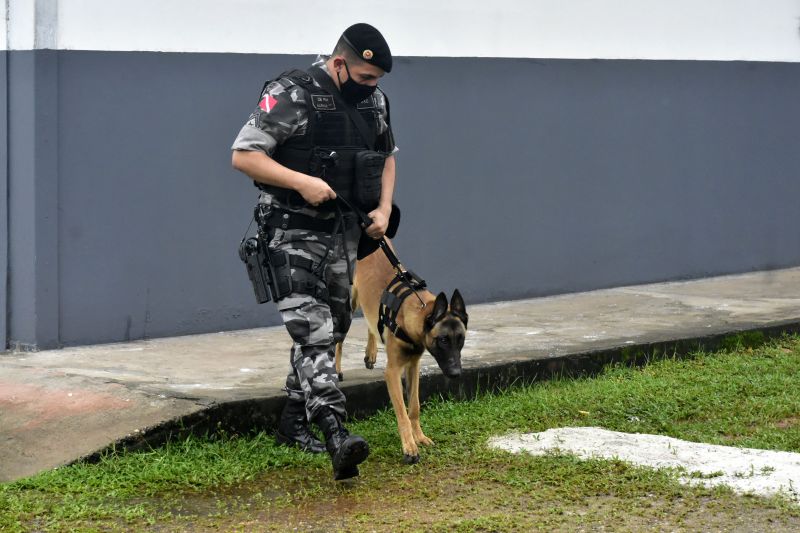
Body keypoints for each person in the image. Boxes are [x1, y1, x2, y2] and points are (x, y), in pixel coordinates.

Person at [231, 23, 397, 481]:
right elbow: (244, 155)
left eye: (377, 80)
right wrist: (302, 181)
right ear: (339, 63)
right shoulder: (293, 93)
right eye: (364, 77)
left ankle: (292, 421)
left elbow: (387, 157)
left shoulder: (374, 100)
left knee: (336, 324)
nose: (372, 87)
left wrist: (383, 209)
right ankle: (335, 433)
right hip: (290, 230)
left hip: (343, 234)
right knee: (315, 332)